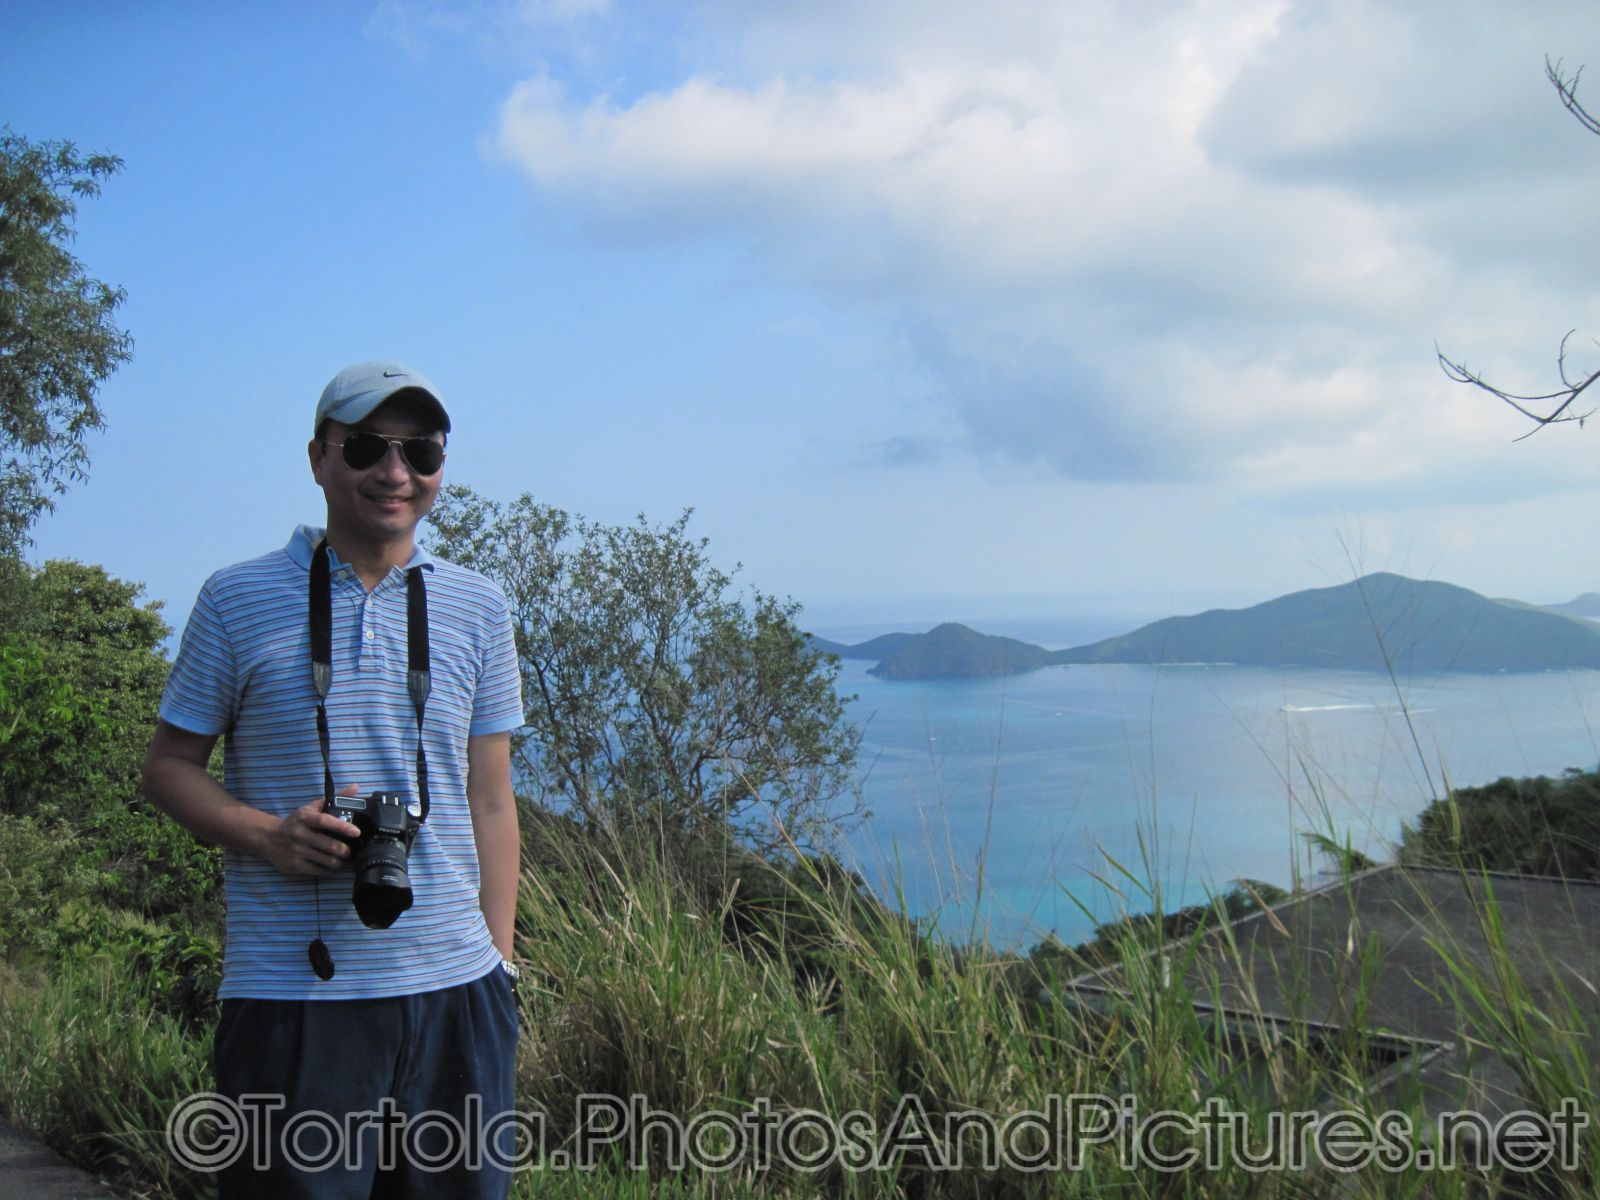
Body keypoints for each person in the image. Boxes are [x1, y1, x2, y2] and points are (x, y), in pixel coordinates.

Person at [143, 362, 524, 1199]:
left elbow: (491, 798)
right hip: (292, 992)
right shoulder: (236, 599)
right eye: (367, 448)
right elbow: (168, 766)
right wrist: (268, 837)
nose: (396, 473)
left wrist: (499, 965)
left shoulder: (479, 606)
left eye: (420, 450)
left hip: (457, 993)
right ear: (318, 458)